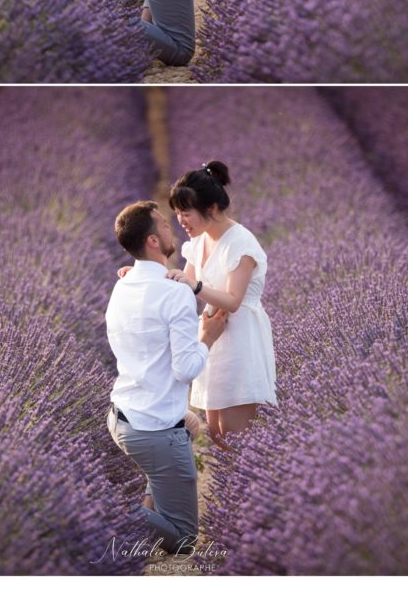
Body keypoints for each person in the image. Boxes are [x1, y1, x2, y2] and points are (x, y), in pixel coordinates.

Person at [105, 200, 228, 554]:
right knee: (185, 539)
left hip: (123, 417)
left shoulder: (122, 285)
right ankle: (104, 510)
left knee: (186, 429)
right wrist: (209, 336)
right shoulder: (175, 293)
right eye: (162, 223)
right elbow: (186, 368)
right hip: (153, 430)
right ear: (152, 241)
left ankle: (134, 521)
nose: (170, 226)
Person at [167, 161, 277, 443]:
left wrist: (196, 285)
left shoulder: (241, 243)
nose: (181, 220)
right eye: (177, 213)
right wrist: (142, 275)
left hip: (241, 340)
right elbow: (181, 287)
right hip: (213, 338)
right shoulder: (199, 242)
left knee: (235, 437)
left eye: (186, 212)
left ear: (211, 208)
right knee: (216, 432)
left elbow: (233, 300)